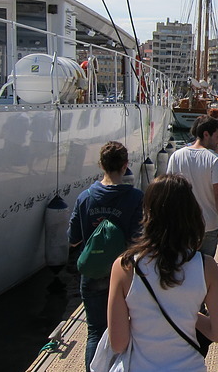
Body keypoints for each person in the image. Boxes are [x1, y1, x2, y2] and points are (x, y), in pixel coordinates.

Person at [107, 174, 218, 371]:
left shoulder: (125, 266)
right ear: (191, 213)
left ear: (147, 213)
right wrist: (187, 313)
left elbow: (118, 343)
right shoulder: (206, 267)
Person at [68, 141, 143, 372]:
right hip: (125, 274)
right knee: (128, 330)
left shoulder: (85, 197)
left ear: (101, 164)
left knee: (95, 331)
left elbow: (73, 238)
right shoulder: (136, 197)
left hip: (93, 273)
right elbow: (138, 239)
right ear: (125, 166)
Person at [167, 117, 218, 256]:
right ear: (206, 134)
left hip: (182, 224)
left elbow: (169, 191)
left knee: (182, 267)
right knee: (205, 267)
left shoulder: (176, 156)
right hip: (209, 224)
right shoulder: (215, 159)